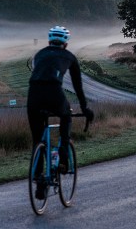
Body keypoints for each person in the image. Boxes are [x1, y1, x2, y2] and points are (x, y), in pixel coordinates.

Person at [27, 25, 94, 199]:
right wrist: (85, 107)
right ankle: (63, 155)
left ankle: (38, 177)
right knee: (66, 115)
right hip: (54, 93)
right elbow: (77, 85)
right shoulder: (69, 57)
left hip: (33, 94)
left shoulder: (39, 54)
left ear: (49, 40)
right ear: (66, 42)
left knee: (37, 138)